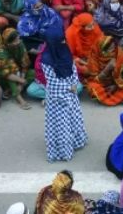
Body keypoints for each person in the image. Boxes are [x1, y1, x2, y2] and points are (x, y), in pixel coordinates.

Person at [41, 27, 87, 162]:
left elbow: (73, 68)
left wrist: (74, 84)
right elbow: (53, 82)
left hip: (70, 93)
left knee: (73, 119)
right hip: (58, 99)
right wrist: (69, 89)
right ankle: (62, 152)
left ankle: (76, 142)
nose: (63, 42)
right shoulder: (46, 59)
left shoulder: (64, 49)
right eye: (60, 41)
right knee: (62, 126)